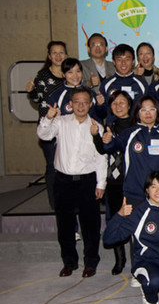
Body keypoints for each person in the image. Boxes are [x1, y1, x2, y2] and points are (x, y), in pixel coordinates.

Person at [36, 86, 107, 278]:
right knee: (65, 225)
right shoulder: (60, 122)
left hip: (87, 181)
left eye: (85, 102)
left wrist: (101, 184)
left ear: (90, 104)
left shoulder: (96, 127)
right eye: (77, 102)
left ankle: (91, 263)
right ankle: (69, 262)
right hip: (63, 181)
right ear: (71, 104)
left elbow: (101, 157)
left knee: (90, 226)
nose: (81, 105)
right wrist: (48, 117)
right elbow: (44, 135)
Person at [103, 171, 159, 304]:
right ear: (147, 189)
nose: (158, 191)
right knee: (155, 281)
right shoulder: (139, 212)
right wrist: (120, 215)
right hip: (148, 261)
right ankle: (148, 288)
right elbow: (108, 239)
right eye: (153, 186)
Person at [102, 95, 159, 208]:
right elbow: (112, 146)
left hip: (158, 194)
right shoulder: (130, 134)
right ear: (137, 113)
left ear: (157, 112)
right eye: (143, 110)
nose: (148, 113)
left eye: (151, 109)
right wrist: (108, 141)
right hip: (134, 194)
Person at [91, 90, 133, 275]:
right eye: (114, 103)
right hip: (114, 181)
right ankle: (120, 259)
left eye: (122, 103)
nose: (118, 106)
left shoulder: (136, 125)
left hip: (133, 180)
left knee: (134, 220)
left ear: (130, 105)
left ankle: (137, 259)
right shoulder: (109, 124)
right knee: (115, 219)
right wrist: (96, 137)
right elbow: (103, 150)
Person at [26, 40, 68, 209]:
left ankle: (69, 199)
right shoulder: (43, 75)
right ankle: (55, 202)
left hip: (68, 127)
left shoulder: (70, 73)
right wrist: (31, 92)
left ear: (66, 54)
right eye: (54, 53)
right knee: (52, 165)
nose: (58, 56)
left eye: (61, 52)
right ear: (49, 56)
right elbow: (38, 100)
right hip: (50, 126)